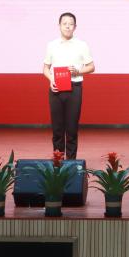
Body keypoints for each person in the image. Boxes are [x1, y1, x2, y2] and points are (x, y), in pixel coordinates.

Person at [43, 12, 94, 159]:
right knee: (57, 128)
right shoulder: (52, 45)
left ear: (75, 27)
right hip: (56, 88)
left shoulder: (82, 45)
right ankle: (58, 161)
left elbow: (91, 67)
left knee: (72, 128)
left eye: (70, 24)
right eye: (64, 23)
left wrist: (78, 71)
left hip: (74, 88)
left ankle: (71, 162)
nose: (67, 26)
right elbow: (45, 68)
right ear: (59, 26)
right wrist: (51, 79)